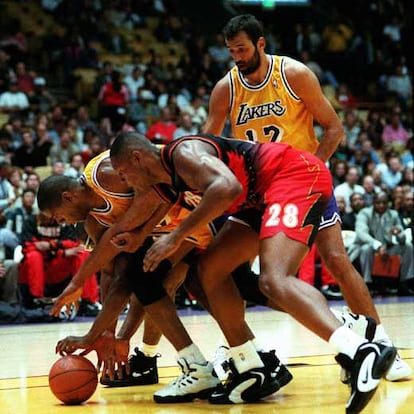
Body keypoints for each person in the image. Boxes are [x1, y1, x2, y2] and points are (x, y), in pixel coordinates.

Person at [109, 131, 396, 413]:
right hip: (259, 198)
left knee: (274, 279)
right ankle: (248, 365)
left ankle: (360, 350)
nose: (124, 181)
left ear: (137, 159)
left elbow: (227, 188)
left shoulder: (184, 153)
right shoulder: (163, 178)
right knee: (208, 270)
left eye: (123, 174)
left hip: (293, 176)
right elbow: (154, 211)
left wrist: (173, 239)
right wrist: (138, 238)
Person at [201, 14, 410, 381]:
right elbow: (207, 142)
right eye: (231, 50)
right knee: (229, 269)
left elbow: (335, 127)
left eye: (243, 49)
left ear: (261, 44)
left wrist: (311, 169)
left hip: (303, 183)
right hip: (258, 191)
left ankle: (384, 347)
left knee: (336, 260)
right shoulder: (226, 89)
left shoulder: (293, 74)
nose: (237, 56)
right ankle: (240, 351)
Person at [37, 154, 223, 401]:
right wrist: (106, 334)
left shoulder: (106, 174)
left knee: (165, 282)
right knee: (154, 280)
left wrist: (111, 335)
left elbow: (165, 188)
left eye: (58, 216)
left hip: (204, 204)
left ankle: (239, 356)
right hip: (181, 229)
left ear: (68, 197)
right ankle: (238, 356)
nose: (61, 223)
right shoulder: (94, 222)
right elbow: (112, 274)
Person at [354, 191, 414, 296]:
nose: (381, 205)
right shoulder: (364, 213)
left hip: (388, 248)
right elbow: (361, 233)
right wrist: (377, 245)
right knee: (365, 249)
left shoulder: (394, 214)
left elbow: (402, 238)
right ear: (373, 203)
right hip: (372, 247)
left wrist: (399, 234)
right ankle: (368, 284)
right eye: (378, 203)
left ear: (388, 203)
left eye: (384, 203)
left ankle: (404, 283)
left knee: (408, 247)